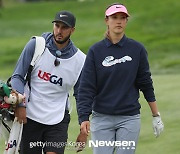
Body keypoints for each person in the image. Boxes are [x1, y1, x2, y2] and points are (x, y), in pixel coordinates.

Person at [76, 3, 164, 154]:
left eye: (122, 18)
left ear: (126, 21)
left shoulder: (137, 50)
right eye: (114, 17)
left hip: (129, 118)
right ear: (106, 21)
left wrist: (156, 115)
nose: (118, 21)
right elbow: (86, 87)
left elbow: (146, 83)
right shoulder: (96, 51)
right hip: (101, 118)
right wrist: (84, 117)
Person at [10, 10, 86, 154]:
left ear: (72, 30)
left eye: (64, 28)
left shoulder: (81, 60)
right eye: (57, 26)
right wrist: (20, 104)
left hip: (58, 117)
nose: (59, 31)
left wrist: (83, 123)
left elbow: (81, 95)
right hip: (30, 115)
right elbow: (17, 77)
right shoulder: (36, 45)